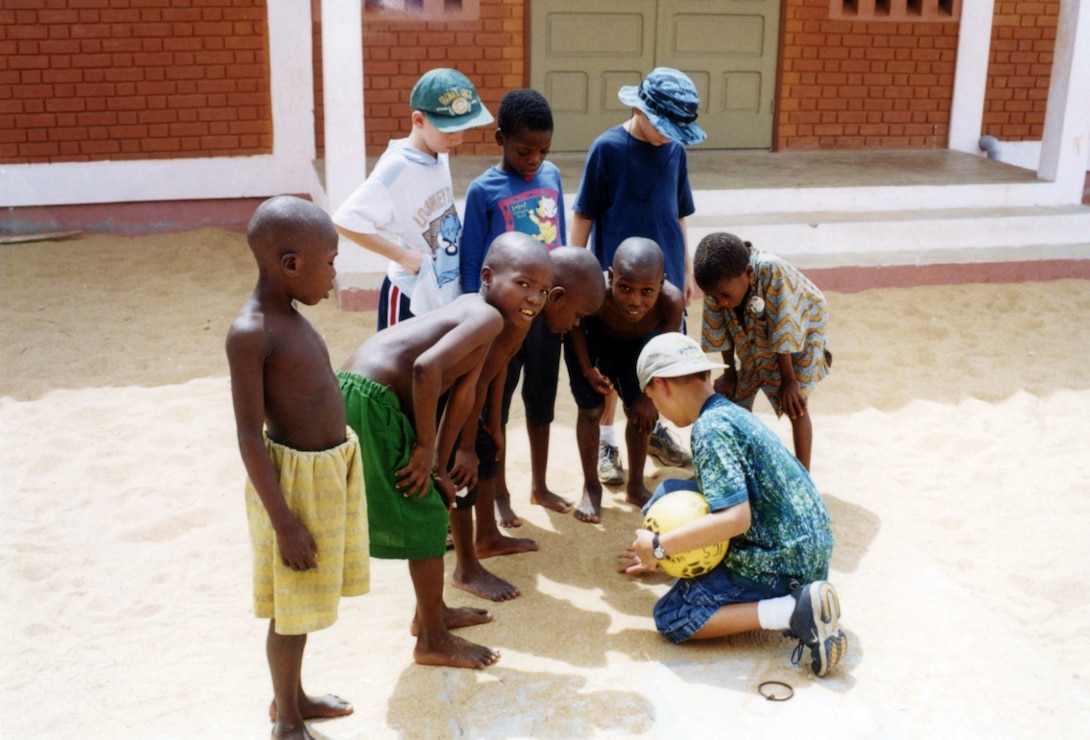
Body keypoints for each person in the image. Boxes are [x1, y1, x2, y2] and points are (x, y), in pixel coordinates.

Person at [336, 233, 554, 669]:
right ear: (488, 278)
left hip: (369, 392)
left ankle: (431, 615)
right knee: (424, 512)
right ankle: (431, 638)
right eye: (524, 284)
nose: (534, 297)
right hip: (374, 397)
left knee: (433, 500)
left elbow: (464, 390)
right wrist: (423, 447)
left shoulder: (492, 319)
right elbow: (426, 368)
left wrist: (441, 460)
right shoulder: (487, 317)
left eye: (544, 291)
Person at [619, 332, 847, 678]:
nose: (659, 415)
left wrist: (659, 548)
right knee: (669, 491)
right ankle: (802, 599)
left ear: (660, 385)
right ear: (704, 376)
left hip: (781, 562)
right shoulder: (728, 413)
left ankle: (794, 611)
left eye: (651, 398)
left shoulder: (708, 431)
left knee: (673, 616)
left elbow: (736, 519)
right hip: (809, 549)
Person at [226, 196, 369, 739]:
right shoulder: (253, 331)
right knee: (289, 609)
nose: (335, 273)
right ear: (290, 265)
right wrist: (284, 521)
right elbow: (247, 433)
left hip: (326, 474)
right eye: (330, 261)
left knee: (304, 602)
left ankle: (296, 697)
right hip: (293, 487)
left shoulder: (291, 318)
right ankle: (286, 721)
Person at [569, 67, 704, 485]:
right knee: (609, 369)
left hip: (660, 285)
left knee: (657, 361)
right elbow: (584, 215)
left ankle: (651, 428)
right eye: (662, 126)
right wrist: (579, 277)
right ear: (637, 108)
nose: (667, 135)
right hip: (617, 288)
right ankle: (608, 441)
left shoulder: (675, 150)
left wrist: (685, 269)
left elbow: (678, 214)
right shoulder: (606, 149)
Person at [450, 245, 606, 601]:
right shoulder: (492, 318)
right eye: (578, 315)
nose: (576, 324)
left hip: (471, 405)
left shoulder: (521, 316)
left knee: (486, 452)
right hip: (450, 410)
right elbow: (467, 387)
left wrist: (492, 422)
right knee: (461, 476)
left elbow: (497, 370)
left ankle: (486, 536)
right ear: (558, 297)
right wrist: (465, 445)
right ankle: (465, 567)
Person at [459, 88, 571, 526]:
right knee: (495, 407)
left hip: (543, 315)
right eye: (524, 150)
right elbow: (473, 262)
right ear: (500, 138)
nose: (534, 160)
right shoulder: (482, 190)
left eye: (544, 150)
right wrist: (479, 320)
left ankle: (539, 484)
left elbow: (558, 242)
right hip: (502, 322)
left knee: (541, 400)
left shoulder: (552, 177)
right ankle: (500, 491)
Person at [333, 67, 494, 330]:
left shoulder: (440, 154)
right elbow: (345, 220)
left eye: (463, 129)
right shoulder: (396, 167)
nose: (458, 139)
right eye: (449, 130)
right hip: (410, 292)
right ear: (418, 120)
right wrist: (402, 256)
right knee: (397, 368)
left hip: (440, 288)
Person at [564, 237, 684, 523]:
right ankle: (591, 487)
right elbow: (575, 328)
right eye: (625, 288)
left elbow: (666, 349)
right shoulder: (595, 294)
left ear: (662, 284)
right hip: (591, 344)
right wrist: (588, 370)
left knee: (640, 415)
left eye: (647, 291)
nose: (634, 300)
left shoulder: (671, 301)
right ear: (610, 277)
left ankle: (636, 486)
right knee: (591, 409)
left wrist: (648, 396)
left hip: (637, 348)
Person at [694, 232, 832, 471]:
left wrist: (790, 380)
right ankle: (733, 469)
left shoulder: (771, 270)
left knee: (795, 403)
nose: (721, 302)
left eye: (725, 295)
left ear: (748, 273)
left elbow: (784, 326)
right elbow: (719, 329)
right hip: (753, 333)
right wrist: (730, 374)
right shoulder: (716, 285)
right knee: (734, 399)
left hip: (800, 334)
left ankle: (803, 478)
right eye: (714, 297)